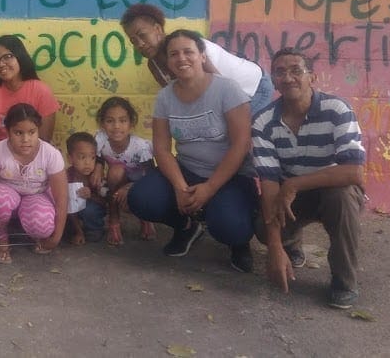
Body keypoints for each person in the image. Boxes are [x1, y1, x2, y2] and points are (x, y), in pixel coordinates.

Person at [127, 30, 258, 273]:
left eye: (188, 52)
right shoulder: (165, 97)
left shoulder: (227, 89)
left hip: (231, 176)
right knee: (141, 199)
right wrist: (179, 187)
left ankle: (239, 243)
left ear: (202, 56)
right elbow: (162, 149)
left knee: (230, 226)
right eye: (173, 54)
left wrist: (209, 188)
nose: (181, 58)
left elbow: (241, 144)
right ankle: (186, 225)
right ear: (167, 61)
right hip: (188, 171)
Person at [252, 48, 366, 309]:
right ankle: (290, 245)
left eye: (296, 70)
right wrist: (274, 247)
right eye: (280, 72)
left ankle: (344, 279)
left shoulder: (337, 109)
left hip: (333, 190)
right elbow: (269, 186)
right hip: (290, 198)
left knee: (341, 196)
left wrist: (294, 184)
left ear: (312, 77)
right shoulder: (263, 122)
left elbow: (353, 171)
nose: (288, 77)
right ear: (273, 80)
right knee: (260, 225)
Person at [121, 3, 274, 114]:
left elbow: (222, 92)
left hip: (254, 88)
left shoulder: (189, 47)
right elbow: (176, 97)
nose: (139, 44)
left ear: (158, 29)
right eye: (133, 41)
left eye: (142, 35)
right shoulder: (154, 65)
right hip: (230, 97)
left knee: (240, 140)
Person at [0, 103, 69, 264]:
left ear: (38, 130)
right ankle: (2, 239)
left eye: (32, 132)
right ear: (8, 131)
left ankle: (34, 234)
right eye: (18, 133)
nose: (26, 139)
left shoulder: (51, 155)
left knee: (42, 224)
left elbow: (62, 198)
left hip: (37, 196)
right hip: (8, 197)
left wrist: (56, 238)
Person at [0, 35, 59, 157]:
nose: (1, 64)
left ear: (20, 57)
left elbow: (44, 140)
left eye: (7, 57)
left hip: (32, 157)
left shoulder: (42, 92)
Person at [95, 97, 156, 245]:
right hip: (115, 182)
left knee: (120, 176)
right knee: (115, 172)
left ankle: (145, 219)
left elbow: (151, 174)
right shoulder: (100, 140)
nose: (116, 126)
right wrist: (98, 167)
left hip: (139, 183)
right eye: (110, 121)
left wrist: (130, 187)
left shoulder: (141, 147)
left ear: (131, 123)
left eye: (122, 121)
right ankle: (114, 221)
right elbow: (97, 157)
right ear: (102, 123)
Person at [64, 132, 105, 245]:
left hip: (92, 210)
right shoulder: (67, 177)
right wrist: (79, 232)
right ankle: (78, 230)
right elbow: (69, 207)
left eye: (92, 158)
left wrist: (91, 195)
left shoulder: (96, 177)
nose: (88, 163)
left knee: (90, 210)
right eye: (82, 157)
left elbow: (105, 203)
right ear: (70, 158)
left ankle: (94, 229)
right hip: (72, 213)